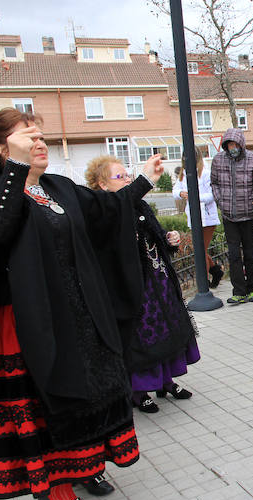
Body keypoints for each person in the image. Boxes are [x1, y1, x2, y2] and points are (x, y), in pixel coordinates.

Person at [0, 108, 164, 500]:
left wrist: (144, 177)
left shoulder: (59, 188)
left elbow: (108, 212)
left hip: (78, 312)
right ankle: (54, 485)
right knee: (46, 403)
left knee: (89, 391)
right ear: (2, 149)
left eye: (41, 137)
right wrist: (16, 170)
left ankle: (86, 466)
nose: (40, 143)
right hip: (28, 321)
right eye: (28, 137)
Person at [86, 156, 199, 415]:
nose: (127, 180)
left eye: (128, 175)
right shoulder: (104, 214)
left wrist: (169, 239)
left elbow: (154, 238)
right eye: (120, 177)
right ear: (103, 185)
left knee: (168, 332)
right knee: (143, 338)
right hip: (136, 290)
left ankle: (166, 382)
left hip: (160, 283)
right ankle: (139, 391)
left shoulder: (139, 205)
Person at [210, 127, 253, 305]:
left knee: (250, 254)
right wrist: (221, 202)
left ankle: (251, 289)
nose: (233, 147)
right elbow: (214, 183)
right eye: (229, 145)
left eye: (236, 144)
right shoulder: (218, 160)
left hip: (249, 215)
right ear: (225, 145)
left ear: (241, 145)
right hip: (229, 216)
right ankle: (239, 291)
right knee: (234, 254)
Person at [173, 149, 222, 288]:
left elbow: (212, 196)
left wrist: (195, 197)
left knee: (200, 250)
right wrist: (181, 193)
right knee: (200, 250)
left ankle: (204, 282)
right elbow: (175, 191)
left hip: (207, 218)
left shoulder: (205, 173)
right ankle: (215, 270)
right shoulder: (183, 174)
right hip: (194, 216)